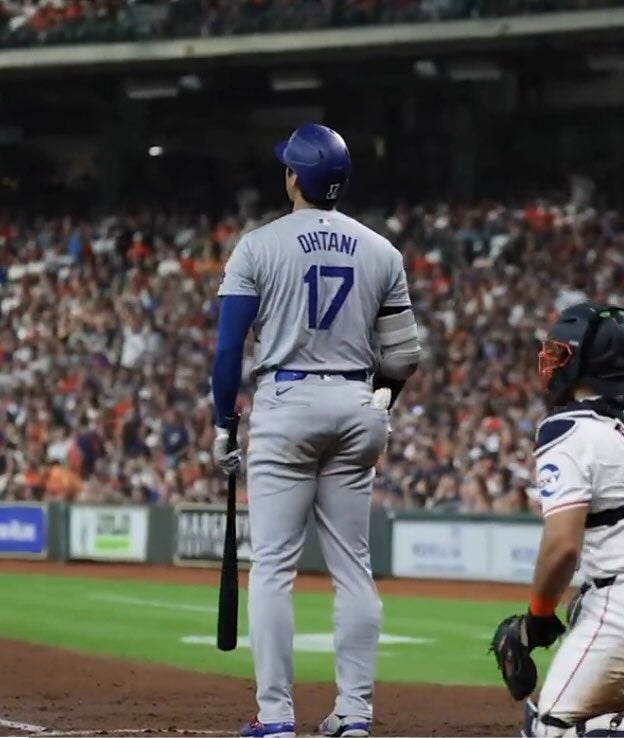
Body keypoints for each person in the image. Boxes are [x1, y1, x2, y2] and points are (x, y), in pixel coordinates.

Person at [211, 123, 420, 738]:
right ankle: (354, 714)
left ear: (294, 178)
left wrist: (224, 425)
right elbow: (404, 357)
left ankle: (276, 715)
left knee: (274, 567)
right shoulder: (382, 251)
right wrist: (379, 402)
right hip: (356, 402)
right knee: (353, 567)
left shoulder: (257, 246)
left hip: (287, 401)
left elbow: (227, 352)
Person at [490, 302, 624, 737]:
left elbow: (562, 546)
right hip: (618, 595)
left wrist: (536, 618)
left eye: (560, 353)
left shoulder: (568, 430)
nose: (550, 363)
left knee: (548, 731)